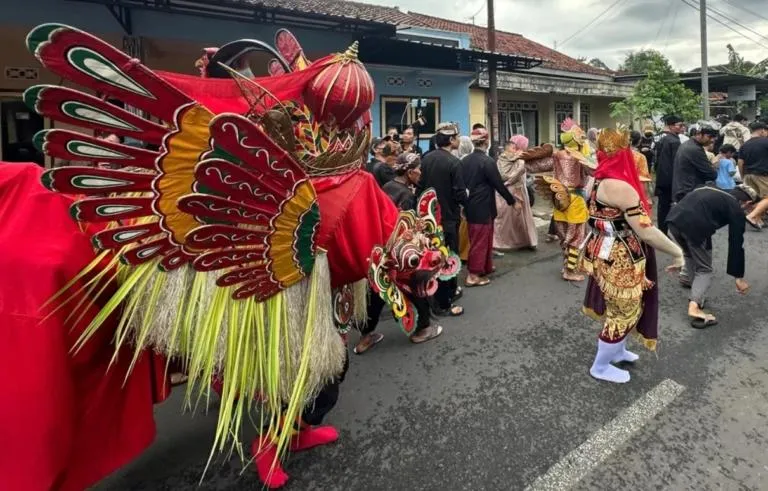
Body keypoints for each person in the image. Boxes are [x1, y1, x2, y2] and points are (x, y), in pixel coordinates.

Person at [582, 127, 685, 384]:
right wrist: (677, 251)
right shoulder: (619, 186)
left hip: (605, 250)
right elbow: (646, 232)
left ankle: (617, 350)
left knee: (626, 306)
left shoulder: (595, 179)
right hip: (620, 257)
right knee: (624, 311)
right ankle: (601, 366)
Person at [355, 153, 442, 353]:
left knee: (376, 293)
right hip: (402, 255)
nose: (421, 174)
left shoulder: (387, 187)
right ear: (410, 172)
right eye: (418, 170)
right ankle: (422, 329)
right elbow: (407, 230)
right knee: (416, 288)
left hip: (380, 251)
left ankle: (365, 336)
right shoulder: (407, 196)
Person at [666, 184, 754, 328]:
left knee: (689, 254)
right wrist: (738, 277)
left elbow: (682, 193)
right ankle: (694, 306)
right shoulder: (736, 207)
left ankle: (692, 285)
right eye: (749, 208)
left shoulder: (709, 188)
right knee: (705, 269)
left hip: (673, 220)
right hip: (695, 227)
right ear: (747, 202)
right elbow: (736, 242)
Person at [417, 122, 466, 316]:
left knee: (432, 257)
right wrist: (466, 206)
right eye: (457, 137)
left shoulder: (426, 159)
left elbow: (420, 188)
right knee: (448, 257)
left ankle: (440, 294)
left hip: (429, 218)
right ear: (451, 139)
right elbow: (460, 193)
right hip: (448, 218)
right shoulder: (454, 163)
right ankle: (445, 303)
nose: (459, 140)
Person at [461, 127, 517, 287]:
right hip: (483, 205)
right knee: (480, 240)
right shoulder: (487, 161)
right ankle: (473, 274)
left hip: (471, 204)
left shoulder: (464, 161)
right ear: (486, 142)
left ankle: (484, 267)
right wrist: (511, 201)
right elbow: (498, 184)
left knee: (482, 238)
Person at [551, 117, 593, 281]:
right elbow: (594, 171)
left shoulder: (557, 154)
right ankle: (570, 271)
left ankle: (566, 266)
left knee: (564, 236)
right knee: (576, 236)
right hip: (575, 199)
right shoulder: (580, 156)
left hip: (559, 199)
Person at [494, 134, 538, 250]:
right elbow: (517, 176)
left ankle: (501, 241)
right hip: (517, 190)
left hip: (502, 191)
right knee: (519, 217)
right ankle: (522, 240)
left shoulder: (501, 158)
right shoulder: (520, 159)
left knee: (504, 218)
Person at [672, 126, 718, 203]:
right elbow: (712, 174)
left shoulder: (688, 144)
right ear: (699, 134)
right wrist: (713, 166)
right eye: (709, 136)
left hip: (682, 189)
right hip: (688, 192)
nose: (712, 140)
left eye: (713, 137)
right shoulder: (694, 149)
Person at [654, 115, 684, 232]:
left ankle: (663, 231)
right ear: (671, 126)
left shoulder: (664, 139)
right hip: (670, 179)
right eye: (680, 125)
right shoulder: (674, 141)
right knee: (670, 207)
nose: (682, 128)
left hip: (662, 178)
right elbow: (677, 163)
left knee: (663, 207)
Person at [739, 121, 768, 229]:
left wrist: (743, 177)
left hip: (748, 175)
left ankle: (757, 219)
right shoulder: (766, 142)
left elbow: (740, 162)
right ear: (762, 130)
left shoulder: (744, 145)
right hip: (762, 175)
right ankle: (752, 216)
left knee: (755, 198)